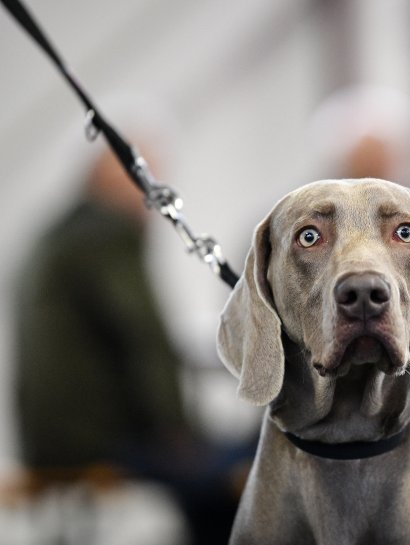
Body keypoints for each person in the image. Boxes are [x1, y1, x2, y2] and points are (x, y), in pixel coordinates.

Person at [14, 144, 241, 545]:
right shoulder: (108, 234)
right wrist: (178, 433)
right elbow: (145, 341)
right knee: (241, 472)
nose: (154, 200)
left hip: (47, 440)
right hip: (101, 437)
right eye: (147, 183)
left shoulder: (51, 239)